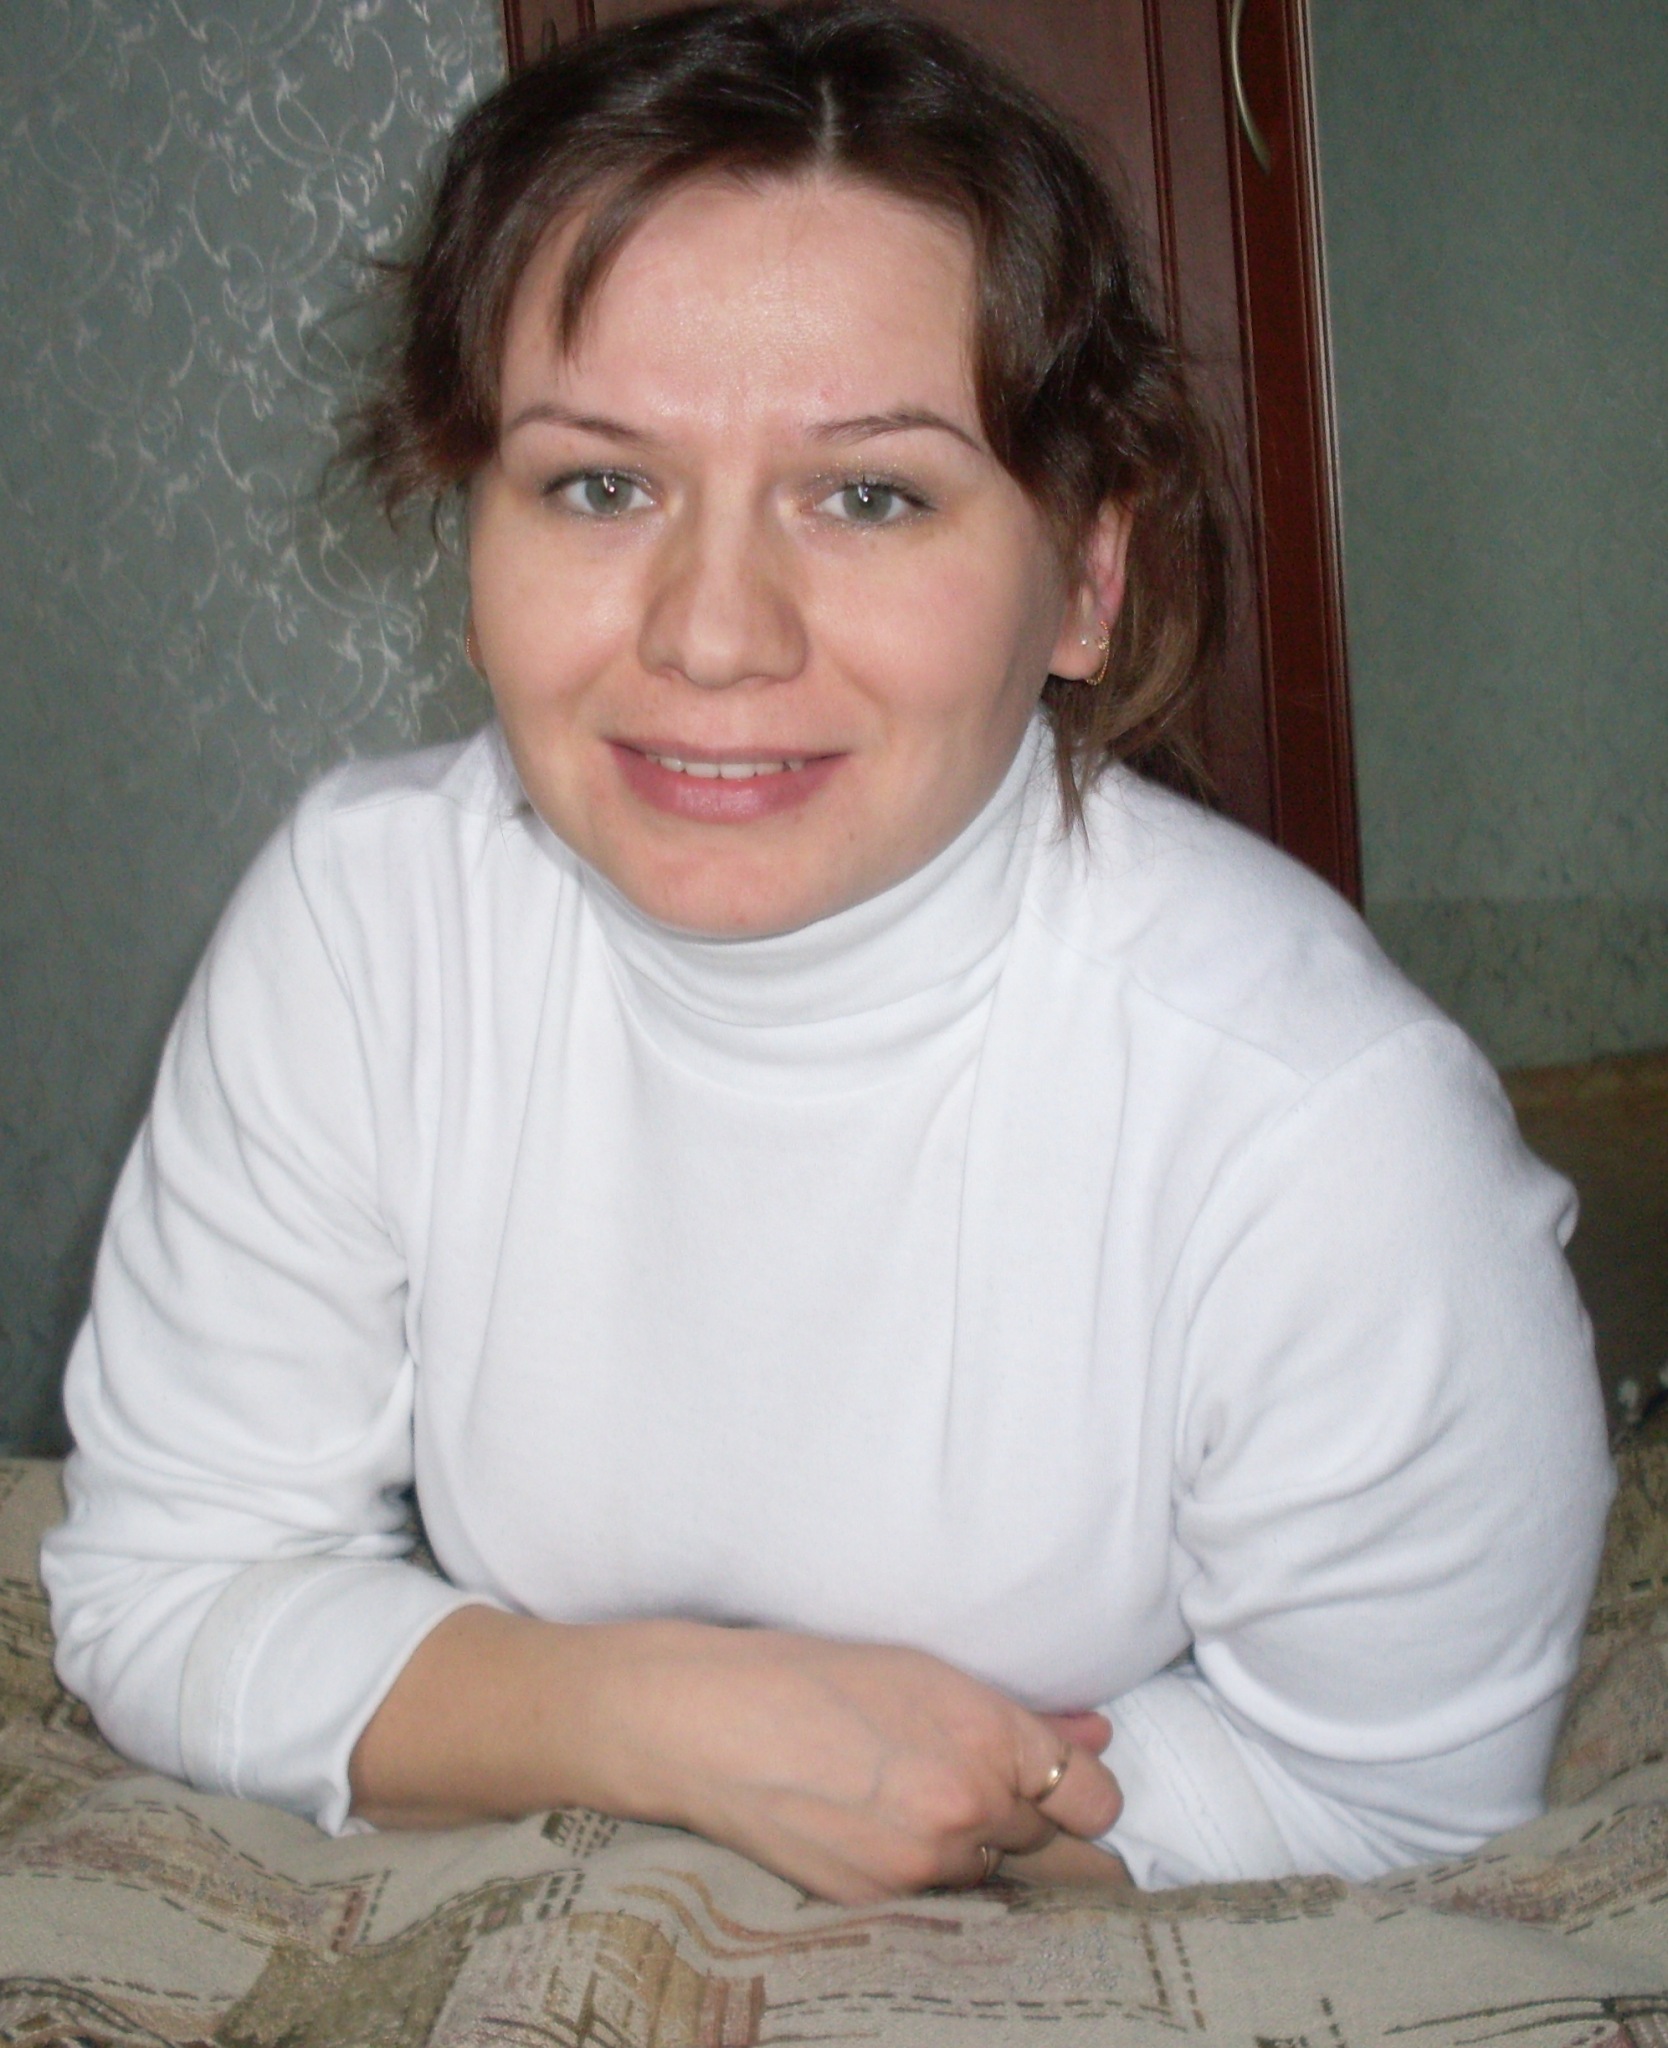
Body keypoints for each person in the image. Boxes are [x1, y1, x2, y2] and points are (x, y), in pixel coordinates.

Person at [42, 0, 1611, 1904]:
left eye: (869, 495)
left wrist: (953, 1811)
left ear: (1087, 580)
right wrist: (688, 1728)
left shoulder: (1322, 1127)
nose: (712, 635)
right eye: (599, 483)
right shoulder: (366, 928)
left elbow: (1397, 1801)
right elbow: (170, 1576)